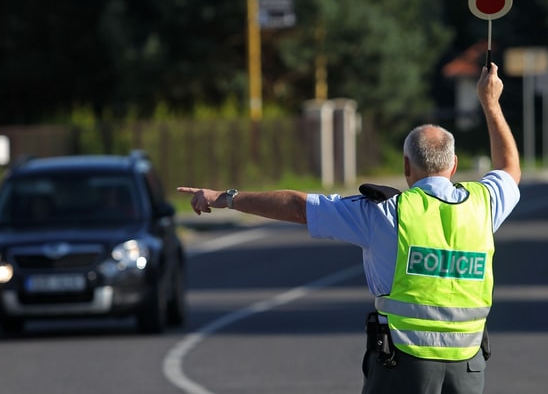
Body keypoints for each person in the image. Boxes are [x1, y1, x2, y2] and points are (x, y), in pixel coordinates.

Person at [177, 63, 520, 394]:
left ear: (405, 166)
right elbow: (508, 168)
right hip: (469, 366)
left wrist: (226, 197)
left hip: (404, 366)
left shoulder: (386, 212)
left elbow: (299, 207)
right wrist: (490, 103)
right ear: (455, 165)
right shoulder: (484, 205)